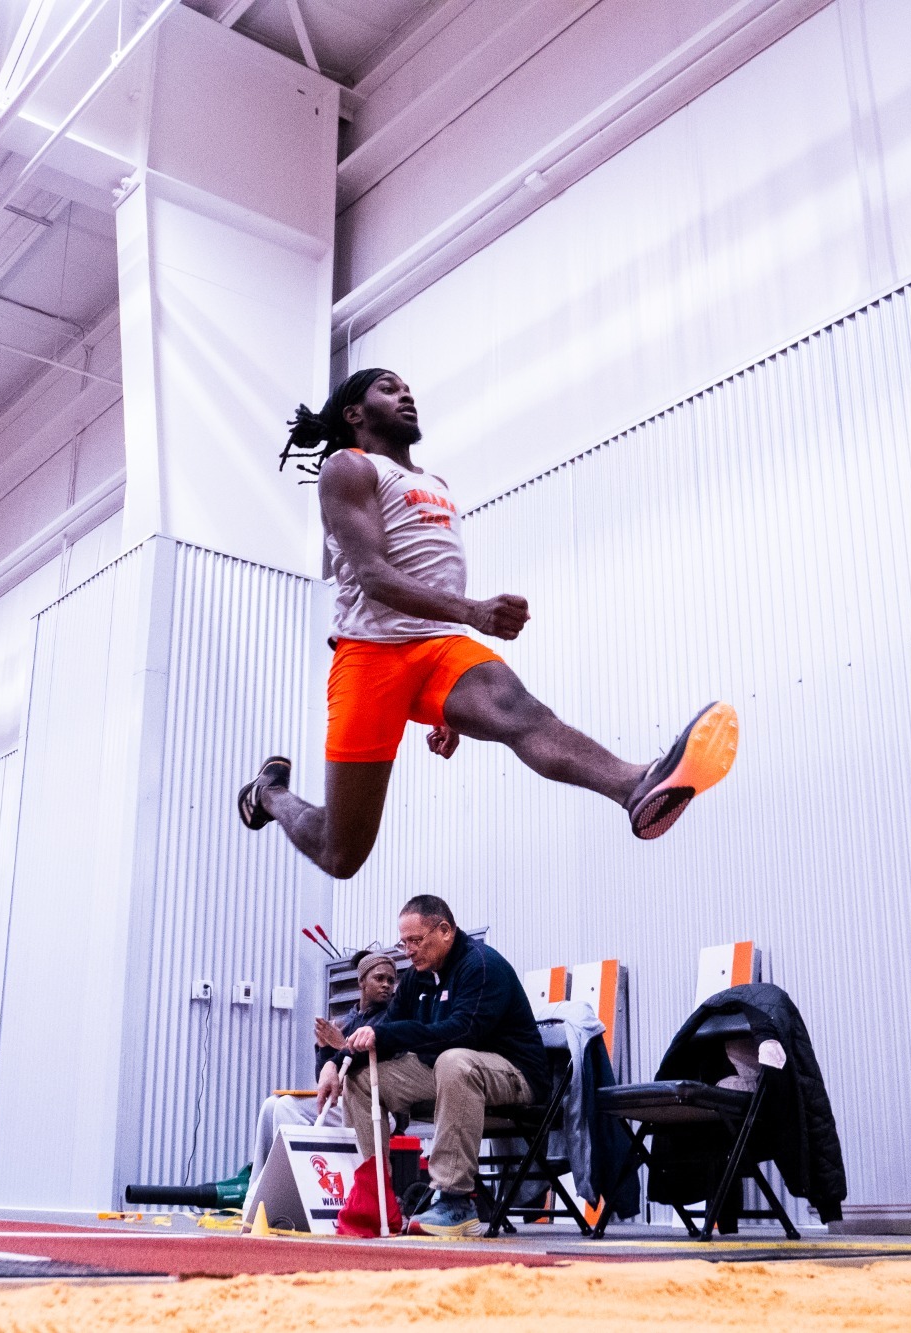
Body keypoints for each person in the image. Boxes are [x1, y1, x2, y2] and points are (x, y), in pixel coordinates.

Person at [237, 369, 739, 878]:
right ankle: (271, 794)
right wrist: (473, 612)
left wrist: (443, 710)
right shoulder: (349, 468)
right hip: (369, 656)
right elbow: (374, 577)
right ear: (354, 414)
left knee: (520, 713)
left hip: (437, 647)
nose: (406, 393)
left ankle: (635, 785)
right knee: (340, 854)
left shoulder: (435, 483)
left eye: (408, 387)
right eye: (388, 388)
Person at [340, 895, 548, 1237]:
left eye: (416, 941)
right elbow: (386, 1029)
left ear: (446, 930)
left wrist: (387, 1034)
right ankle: (377, 1198)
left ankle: (455, 1201)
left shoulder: (481, 965)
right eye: (403, 942)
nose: (408, 951)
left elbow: (463, 1032)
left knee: (455, 1059)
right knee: (360, 1078)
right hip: (449, 1071)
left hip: (515, 1073)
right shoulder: (416, 979)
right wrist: (336, 1065)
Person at [248, 950, 400, 1175]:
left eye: (390, 980)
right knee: (271, 1105)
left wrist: (341, 1045)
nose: (386, 985)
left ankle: (297, 1188)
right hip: (343, 1103)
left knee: (287, 1107)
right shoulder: (347, 1021)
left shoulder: (392, 1018)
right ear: (362, 982)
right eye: (379, 978)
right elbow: (324, 1077)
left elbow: (375, 1067)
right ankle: (257, 1191)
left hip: (378, 1108)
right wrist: (324, 1048)